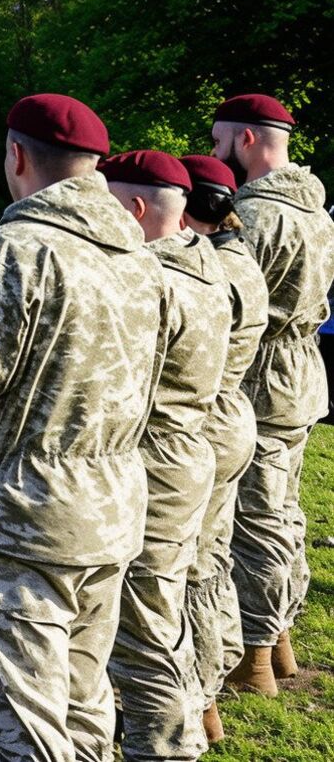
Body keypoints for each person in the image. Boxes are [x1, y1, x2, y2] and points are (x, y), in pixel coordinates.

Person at [0, 95, 164, 761]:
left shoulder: (14, 252)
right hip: (109, 516)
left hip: (20, 524)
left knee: (22, 728)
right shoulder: (140, 257)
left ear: (16, 157)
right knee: (83, 720)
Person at [99, 151, 226, 761]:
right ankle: (192, 720)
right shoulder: (206, 267)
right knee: (163, 604)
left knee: (144, 622)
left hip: (153, 459)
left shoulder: (151, 281)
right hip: (186, 451)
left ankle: (167, 748)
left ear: (136, 208)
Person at [212, 94, 334, 694]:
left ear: (247, 140)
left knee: (255, 517)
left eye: (218, 141)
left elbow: (234, 302)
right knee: (283, 509)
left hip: (261, 373)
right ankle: (280, 639)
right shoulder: (314, 206)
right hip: (302, 369)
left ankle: (255, 655)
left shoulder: (259, 214)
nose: (215, 153)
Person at [180, 152, 266, 743]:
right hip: (233, 416)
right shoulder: (241, 260)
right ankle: (211, 693)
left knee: (187, 573)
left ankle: (199, 693)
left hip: (202, 422)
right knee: (210, 562)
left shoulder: (207, 270)